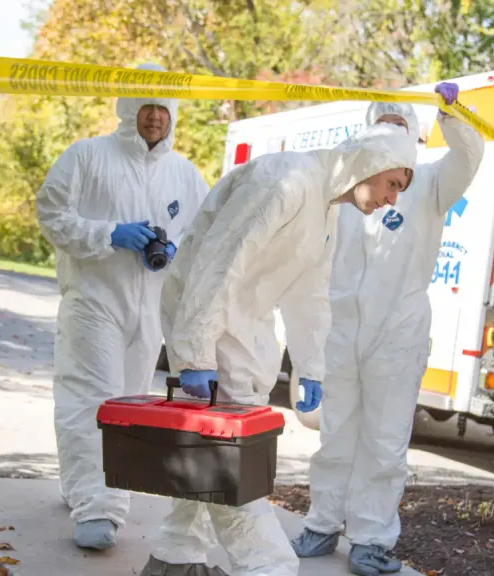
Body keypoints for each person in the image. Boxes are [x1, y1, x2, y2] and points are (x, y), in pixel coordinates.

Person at [139, 121, 418, 576]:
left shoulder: (326, 205)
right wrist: (194, 352)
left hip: (241, 321)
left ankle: (174, 558)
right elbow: (221, 259)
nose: (393, 198)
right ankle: (268, 568)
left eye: (400, 190)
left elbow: (310, 291)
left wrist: (311, 365)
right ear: (370, 165)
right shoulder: (286, 180)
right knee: (228, 456)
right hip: (208, 312)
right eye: (392, 183)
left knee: (215, 447)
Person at [291, 83, 485, 575]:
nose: (391, 133)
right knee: (335, 434)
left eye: (400, 125)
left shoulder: (430, 182)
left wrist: (454, 115)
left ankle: (371, 539)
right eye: (383, 124)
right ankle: (321, 523)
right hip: (341, 328)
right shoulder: (345, 185)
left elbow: (470, 153)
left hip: (397, 331)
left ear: (414, 134)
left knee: (384, 440)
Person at [35, 62, 208, 551]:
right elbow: (51, 212)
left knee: (130, 407)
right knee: (92, 399)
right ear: (128, 108)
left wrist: (173, 250)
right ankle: (100, 510)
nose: (154, 118)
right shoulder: (88, 157)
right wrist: (107, 234)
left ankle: (87, 490)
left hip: (149, 310)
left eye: (162, 109)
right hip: (94, 300)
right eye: (146, 107)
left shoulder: (185, 173)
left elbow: (201, 235)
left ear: (173, 113)